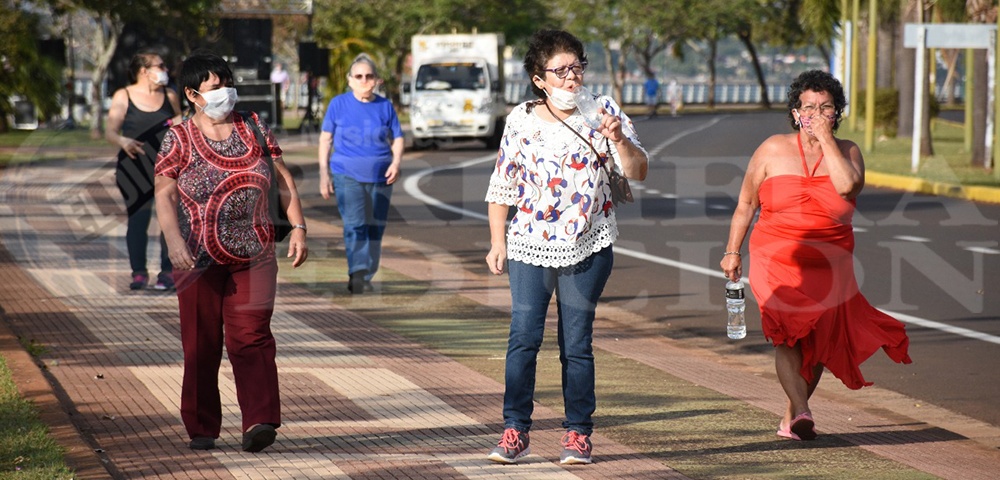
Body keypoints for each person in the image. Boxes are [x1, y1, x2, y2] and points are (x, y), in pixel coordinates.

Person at [484, 29, 648, 465]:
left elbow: (639, 170)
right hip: (528, 244)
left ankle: (578, 433)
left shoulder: (604, 111)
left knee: (576, 342)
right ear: (540, 79)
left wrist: (618, 139)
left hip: (588, 245)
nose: (571, 77)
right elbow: (503, 183)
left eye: (576, 67)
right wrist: (497, 241)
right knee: (524, 337)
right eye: (560, 70)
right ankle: (514, 429)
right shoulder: (520, 118)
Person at [720, 69, 911, 442]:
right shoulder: (771, 149)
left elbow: (848, 185)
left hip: (832, 261)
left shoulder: (848, 151)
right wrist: (732, 252)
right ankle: (804, 410)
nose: (815, 115)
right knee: (788, 334)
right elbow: (746, 204)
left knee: (819, 340)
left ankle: (792, 414)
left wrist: (826, 140)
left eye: (825, 108)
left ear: (837, 113)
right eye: (808, 108)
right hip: (777, 256)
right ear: (795, 113)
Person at [154, 50, 309, 452]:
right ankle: (202, 426)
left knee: (252, 336)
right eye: (215, 86)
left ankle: (259, 420)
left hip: (254, 252)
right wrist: (172, 241)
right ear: (192, 94)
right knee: (201, 342)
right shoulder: (179, 136)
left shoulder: (254, 125)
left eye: (227, 83)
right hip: (195, 256)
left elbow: (283, 178)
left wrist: (299, 227)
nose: (226, 92)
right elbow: (164, 193)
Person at [317, 54, 403, 294]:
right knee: (355, 224)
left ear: (376, 80)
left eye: (369, 76)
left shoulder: (384, 106)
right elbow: (326, 139)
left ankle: (367, 272)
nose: (364, 80)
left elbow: (397, 137)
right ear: (350, 80)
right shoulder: (338, 104)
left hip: (382, 177)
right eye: (359, 76)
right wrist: (324, 173)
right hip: (347, 174)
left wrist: (396, 162)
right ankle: (357, 271)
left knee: (375, 226)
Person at [105, 49, 182, 290]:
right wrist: (123, 141)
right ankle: (138, 272)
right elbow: (110, 132)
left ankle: (167, 272)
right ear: (143, 71)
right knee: (138, 219)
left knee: (170, 220)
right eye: (160, 66)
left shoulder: (170, 95)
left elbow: (180, 123)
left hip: (168, 168)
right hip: (133, 168)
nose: (165, 70)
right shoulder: (123, 95)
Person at [269, 62, 290, 130]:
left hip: (282, 90)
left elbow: (287, 81)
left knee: (282, 104)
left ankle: (280, 117)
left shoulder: (284, 73)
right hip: (275, 92)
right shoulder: (273, 74)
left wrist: (286, 88)